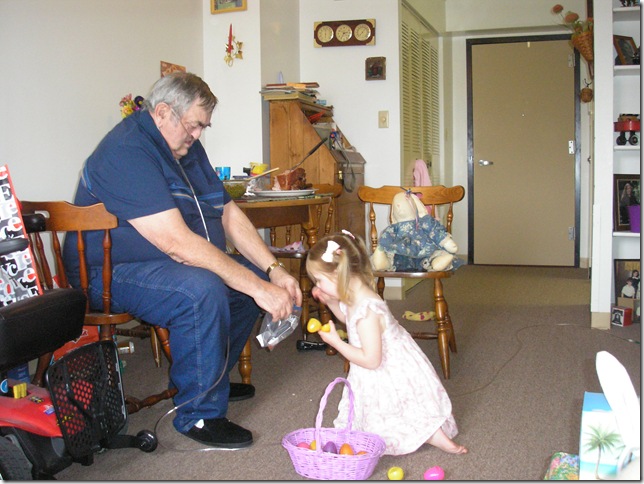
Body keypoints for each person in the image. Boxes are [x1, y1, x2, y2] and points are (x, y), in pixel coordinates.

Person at [63, 72, 302, 449]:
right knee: (201, 288)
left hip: (158, 266)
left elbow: (228, 212)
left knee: (249, 278)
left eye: (203, 127)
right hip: (107, 276)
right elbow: (177, 243)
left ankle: (212, 377)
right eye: (194, 126)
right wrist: (260, 288)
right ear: (162, 113)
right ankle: (200, 414)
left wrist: (274, 270)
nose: (198, 136)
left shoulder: (185, 149)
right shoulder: (128, 150)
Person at [305, 231, 467, 456]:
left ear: (339, 275)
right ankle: (435, 435)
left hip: (385, 366)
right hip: (386, 361)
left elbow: (371, 360)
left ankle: (436, 436)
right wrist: (332, 301)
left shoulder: (367, 310)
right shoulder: (356, 296)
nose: (317, 286)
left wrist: (336, 342)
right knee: (401, 407)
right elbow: (348, 319)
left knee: (400, 405)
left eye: (320, 280)